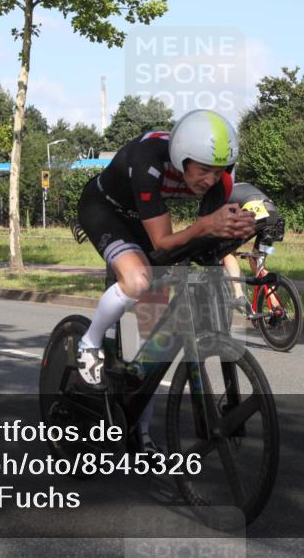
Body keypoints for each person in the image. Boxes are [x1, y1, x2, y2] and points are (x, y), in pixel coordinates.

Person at [75, 109, 256, 453]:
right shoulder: (149, 160)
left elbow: (205, 239)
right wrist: (205, 227)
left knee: (154, 341)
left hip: (146, 220)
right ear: (180, 158)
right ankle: (90, 341)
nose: (210, 180)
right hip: (106, 211)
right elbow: (162, 242)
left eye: (218, 172)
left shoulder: (221, 178)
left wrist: (235, 231)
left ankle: (141, 434)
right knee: (139, 279)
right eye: (202, 171)